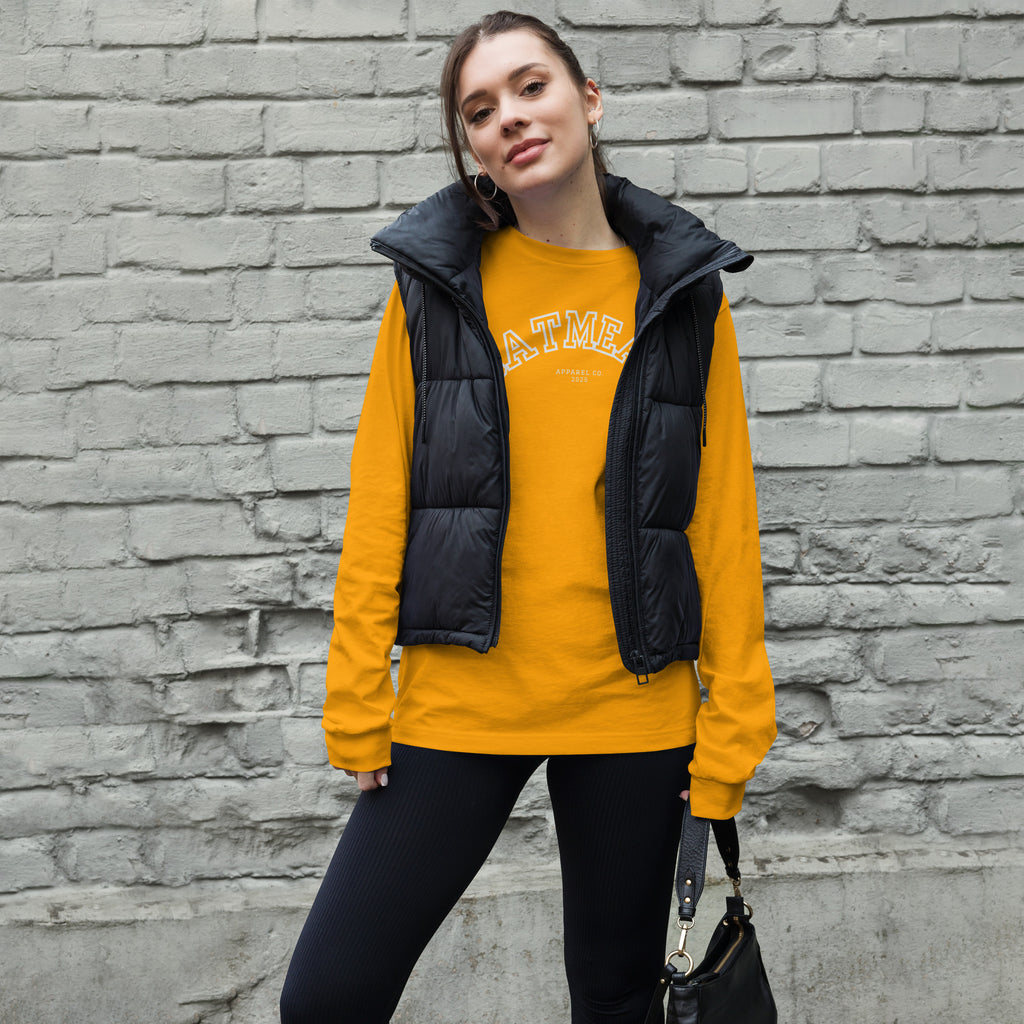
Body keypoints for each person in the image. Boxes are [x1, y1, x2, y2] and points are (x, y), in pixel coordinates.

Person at [279, 10, 776, 1024]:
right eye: (479, 109)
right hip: (462, 697)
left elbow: (722, 522)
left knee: (614, 998)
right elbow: (382, 494)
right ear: (471, 149)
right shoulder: (433, 287)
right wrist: (355, 694)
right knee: (327, 997)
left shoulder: (681, 294)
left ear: (587, 99)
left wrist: (731, 731)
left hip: (632, 705)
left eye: (530, 85)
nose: (510, 116)